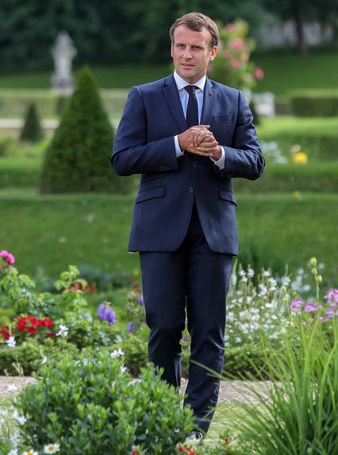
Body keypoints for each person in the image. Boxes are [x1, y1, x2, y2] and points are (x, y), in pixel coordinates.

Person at [111, 12, 264, 439]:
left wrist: (220, 154)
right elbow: (122, 158)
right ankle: (161, 420)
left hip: (214, 232)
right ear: (172, 48)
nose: (186, 54)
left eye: (196, 47)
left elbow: (255, 161)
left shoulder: (232, 100)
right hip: (160, 229)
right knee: (162, 326)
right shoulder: (143, 96)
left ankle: (193, 431)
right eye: (180, 46)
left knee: (208, 332)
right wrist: (177, 144)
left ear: (212, 52)